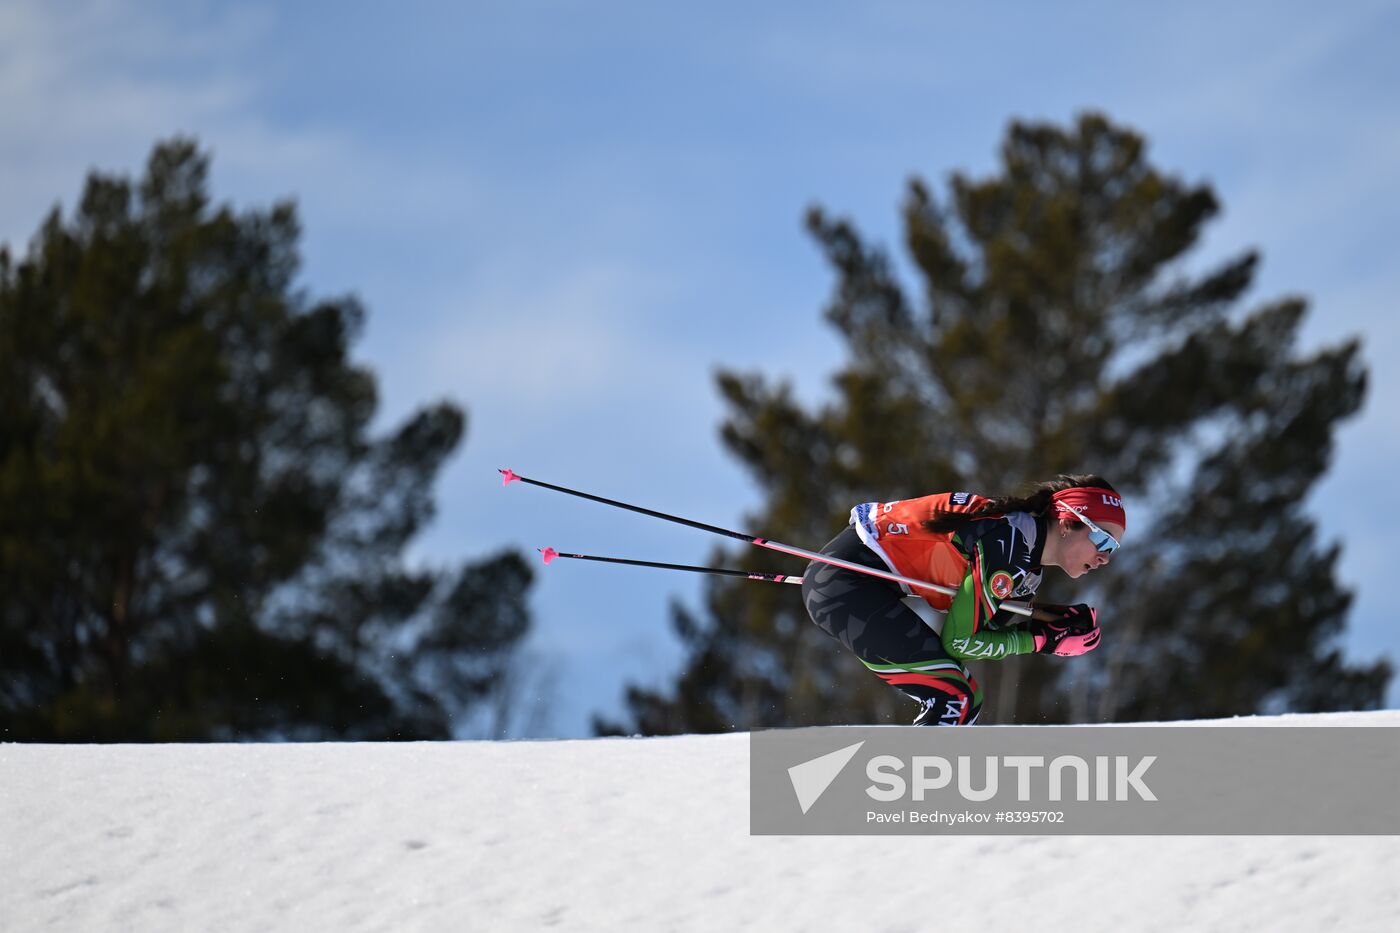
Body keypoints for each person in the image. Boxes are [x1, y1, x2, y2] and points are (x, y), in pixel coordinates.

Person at [801, 474, 1125, 726]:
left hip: (854, 585)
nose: (1104, 557)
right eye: (1102, 539)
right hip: (844, 582)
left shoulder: (1026, 568)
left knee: (960, 694)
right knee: (957, 698)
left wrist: (1050, 623)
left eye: (1112, 549)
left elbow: (980, 637)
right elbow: (960, 642)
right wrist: (1040, 640)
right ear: (1068, 522)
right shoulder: (1010, 545)